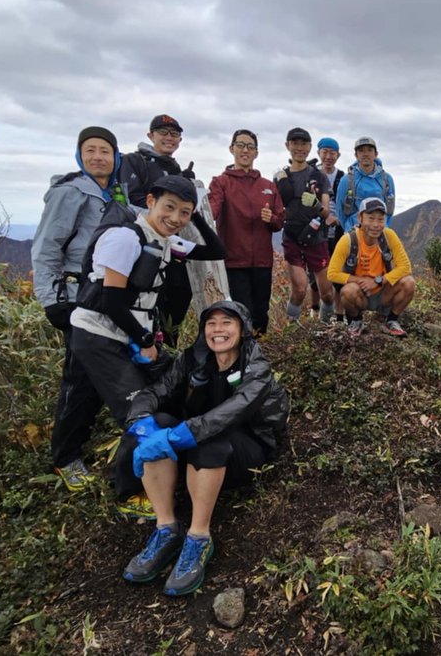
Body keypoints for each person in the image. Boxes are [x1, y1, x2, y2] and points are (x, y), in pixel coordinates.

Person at [64, 175, 225, 517]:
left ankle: (74, 457)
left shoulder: (167, 242)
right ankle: (128, 491)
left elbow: (216, 251)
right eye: (169, 207)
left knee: (90, 397)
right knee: (139, 411)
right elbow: (111, 300)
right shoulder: (125, 238)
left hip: (124, 335)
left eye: (184, 212)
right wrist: (146, 341)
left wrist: (196, 217)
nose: (175, 218)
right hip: (99, 335)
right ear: (150, 201)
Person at [119, 300, 289, 596]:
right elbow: (157, 391)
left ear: (242, 329)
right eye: (211, 323)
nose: (218, 330)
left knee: (207, 439)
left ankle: (198, 537)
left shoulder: (256, 367)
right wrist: (141, 422)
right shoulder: (193, 359)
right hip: (197, 439)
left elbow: (234, 410)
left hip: (247, 448)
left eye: (227, 323)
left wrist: (180, 436)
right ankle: (166, 529)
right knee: (157, 426)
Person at [32, 126, 130, 490]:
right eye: (90, 150)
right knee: (80, 378)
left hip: (109, 295)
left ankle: (87, 442)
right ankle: (66, 458)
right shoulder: (70, 192)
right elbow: (45, 248)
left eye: (105, 151)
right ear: (80, 155)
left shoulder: (114, 194)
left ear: (115, 157)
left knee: (107, 371)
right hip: (76, 296)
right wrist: (51, 300)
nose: (98, 157)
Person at [118, 114, 202, 347]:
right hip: (143, 247)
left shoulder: (173, 167)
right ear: (150, 135)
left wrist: (184, 185)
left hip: (170, 247)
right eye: (163, 132)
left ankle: (167, 350)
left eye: (174, 134)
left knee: (178, 297)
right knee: (148, 302)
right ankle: (146, 348)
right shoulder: (135, 161)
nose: (169, 137)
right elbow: (129, 201)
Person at [208, 130, 285, 336]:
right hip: (234, 261)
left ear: (256, 153)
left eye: (250, 147)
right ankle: (241, 351)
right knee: (241, 312)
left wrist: (271, 219)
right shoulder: (221, 182)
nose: (245, 150)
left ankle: (258, 350)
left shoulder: (268, 186)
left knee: (261, 313)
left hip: (262, 261)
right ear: (231, 149)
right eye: (240, 145)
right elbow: (211, 212)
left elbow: (279, 221)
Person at [326, 197, 415, 337]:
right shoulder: (348, 240)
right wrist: (359, 280)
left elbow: (405, 267)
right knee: (348, 291)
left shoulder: (388, 236)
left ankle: (391, 321)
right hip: (361, 293)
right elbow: (332, 274)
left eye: (380, 219)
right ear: (360, 218)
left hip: (383, 292)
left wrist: (377, 281)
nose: (376, 224)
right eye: (371, 218)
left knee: (409, 282)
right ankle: (356, 321)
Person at [274, 127, 336, 324]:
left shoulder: (319, 176)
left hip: (316, 236)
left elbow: (326, 213)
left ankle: (325, 327)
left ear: (310, 147)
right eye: (295, 143)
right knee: (299, 289)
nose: (299, 148)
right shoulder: (280, 177)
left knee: (327, 293)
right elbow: (275, 208)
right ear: (287, 146)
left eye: (303, 144)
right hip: (292, 237)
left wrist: (316, 205)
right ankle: (291, 328)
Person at [333, 136, 395, 236]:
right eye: (361, 151)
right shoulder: (346, 180)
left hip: (378, 233)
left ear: (376, 154)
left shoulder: (387, 179)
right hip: (354, 233)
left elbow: (390, 210)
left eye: (369, 150)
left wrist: (382, 227)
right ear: (356, 155)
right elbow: (340, 210)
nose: (365, 154)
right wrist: (349, 229)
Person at [314, 137, 347, 322]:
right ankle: (316, 313)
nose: (328, 156)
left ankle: (339, 316)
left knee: (339, 274)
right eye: (324, 152)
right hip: (315, 231)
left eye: (332, 153)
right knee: (316, 276)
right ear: (318, 153)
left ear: (338, 155)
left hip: (339, 232)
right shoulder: (312, 175)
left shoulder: (343, 178)